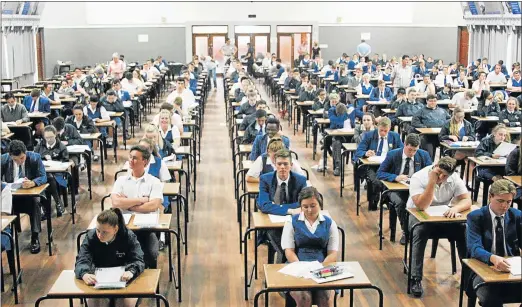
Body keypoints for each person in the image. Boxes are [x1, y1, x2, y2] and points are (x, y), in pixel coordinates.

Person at [407, 157, 471, 297]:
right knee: (420, 231)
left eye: (445, 176)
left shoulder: (454, 179)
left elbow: (467, 200)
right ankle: (415, 278)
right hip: (418, 216)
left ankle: (469, 276)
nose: (441, 177)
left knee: (463, 228)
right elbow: (422, 205)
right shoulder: (419, 177)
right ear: (435, 166)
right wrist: (432, 181)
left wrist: (456, 209)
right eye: (439, 173)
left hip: (441, 217)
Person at [466, 180, 521, 307]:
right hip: (482, 270)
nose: (505, 206)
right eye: (500, 201)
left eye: (509, 202)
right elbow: (474, 248)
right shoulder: (476, 217)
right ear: (490, 197)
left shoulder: (517, 216)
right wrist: (492, 258)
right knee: (491, 299)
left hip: (511, 271)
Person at [75, 208, 145, 307]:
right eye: (98, 230)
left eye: (104, 232)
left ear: (115, 229)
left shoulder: (128, 237)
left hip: (124, 280)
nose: (99, 235)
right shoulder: (91, 237)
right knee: (96, 304)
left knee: (123, 304)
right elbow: (82, 259)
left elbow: (138, 259)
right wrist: (84, 274)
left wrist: (131, 271)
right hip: (98, 281)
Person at [281, 186, 339, 307]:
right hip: (297, 265)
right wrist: (301, 269)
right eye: (305, 206)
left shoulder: (330, 223)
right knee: (304, 298)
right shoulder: (291, 222)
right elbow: (289, 251)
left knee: (325, 297)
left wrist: (321, 269)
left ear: (320, 205)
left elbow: (333, 253)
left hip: (323, 266)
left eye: (313, 206)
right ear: (300, 207)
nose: (309, 210)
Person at [111, 145, 163, 269]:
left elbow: (153, 205)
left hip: (146, 229)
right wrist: (140, 200)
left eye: (134, 158)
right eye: (130, 157)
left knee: (149, 253)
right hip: (123, 228)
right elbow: (116, 203)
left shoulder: (154, 182)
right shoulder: (121, 181)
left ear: (144, 162)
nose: (130, 161)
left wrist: (128, 205)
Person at [376, 134, 432, 244]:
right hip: (395, 189)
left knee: (424, 202)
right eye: (410, 149)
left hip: (415, 189)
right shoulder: (393, 154)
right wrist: (395, 177)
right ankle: (406, 232)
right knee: (401, 203)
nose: (412, 153)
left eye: (415, 150)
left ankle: (420, 231)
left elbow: (429, 173)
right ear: (405, 145)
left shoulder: (424, 155)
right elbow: (380, 173)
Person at [257, 149, 308, 263]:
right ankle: (283, 271)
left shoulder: (300, 180)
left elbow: (304, 204)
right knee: (284, 247)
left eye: (285, 164)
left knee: (299, 245)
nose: (282, 167)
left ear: (291, 165)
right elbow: (264, 205)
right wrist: (290, 210)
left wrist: (275, 207)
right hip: (272, 226)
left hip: (295, 225)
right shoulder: (265, 179)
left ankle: (285, 270)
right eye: (279, 164)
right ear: (275, 164)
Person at [1, 140, 47, 254]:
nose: (19, 161)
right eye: (15, 159)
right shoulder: (4, 159)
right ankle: (7, 237)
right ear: (10, 156)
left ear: (25, 153)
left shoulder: (35, 157)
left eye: (22, 158)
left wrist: (33, 182)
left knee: (35, 201)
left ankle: (35, 237)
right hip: (11, 195)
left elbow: (43, 176)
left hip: (29, 195)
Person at [353, 118, 403, 210]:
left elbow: (402, 151)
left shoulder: (395, 136)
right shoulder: (369, 135)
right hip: (372, 166)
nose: (383, 133)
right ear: (377, 127)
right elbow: (359, 151)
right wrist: (366, 153)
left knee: (393, 180)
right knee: (376, 181)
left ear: (390, 128)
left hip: (389, 166)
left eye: (386, 131)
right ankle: (376, 201)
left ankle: (387, 200)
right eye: (381, 130)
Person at [34, 125, 69, 217]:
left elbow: (65, 161)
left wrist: (53, 161)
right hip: (43, 173)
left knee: (50, 178)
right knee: (47, 178)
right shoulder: (40, 146)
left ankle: (45, 208)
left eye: (51, 137)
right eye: (46, 137)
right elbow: (34, 159)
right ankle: (58, 202)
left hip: (58, 174)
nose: (48, 139)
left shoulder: (61, 147)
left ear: (55, 135)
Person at [411, 94, 451, 158]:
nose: (433, 103)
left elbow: (450, 120)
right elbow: (414, 122)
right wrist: (424, 127)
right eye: (431, 101)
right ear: (427, 101)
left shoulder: (442, 111)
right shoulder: (421, 111)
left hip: (441, 135)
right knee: (428, 150)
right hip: (428, 136)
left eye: (435, 101)